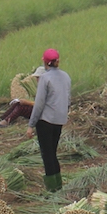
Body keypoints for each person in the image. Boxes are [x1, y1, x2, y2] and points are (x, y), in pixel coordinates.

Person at [25, 48, 71, 192]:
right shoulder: (66, 77)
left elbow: (39, 104)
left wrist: (31, 125)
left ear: (45, 62)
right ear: (58, 61)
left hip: (45, 120)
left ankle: (52, 189)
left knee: (47, 153)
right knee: (53, 152)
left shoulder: (45, 78)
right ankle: (58, 184)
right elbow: (68, 100)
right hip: (59, 120)